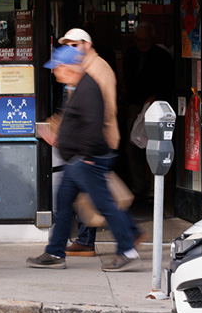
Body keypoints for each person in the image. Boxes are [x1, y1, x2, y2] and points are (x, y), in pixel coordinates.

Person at [27, 45, 141, 272]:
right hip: (77, 160)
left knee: (105, 205)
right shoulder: (79, 85)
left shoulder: (88, 88)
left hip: (87, 159)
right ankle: (55, 252)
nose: (55, 72)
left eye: (57, 68)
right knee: (64, 203)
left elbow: (93, 124)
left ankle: (127, 250)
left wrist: (88, 156)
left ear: (68, 68)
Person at [55, 28, 143, 256]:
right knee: (95, 194)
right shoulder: (82, 67)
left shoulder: (98, 69)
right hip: (88, 143)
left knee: (101, 196)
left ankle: (122, 238)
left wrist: (92, 146)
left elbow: (103, 110)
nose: (70, 49)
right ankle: (123, 233)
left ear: (87, 44)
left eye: (74, 45)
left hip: (96, 143)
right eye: (67, 46)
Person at [123, 22, 174, 201]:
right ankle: (139, 187)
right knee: (132, 148)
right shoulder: (130, 55)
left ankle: (156, 190)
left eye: (146, 40)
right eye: (139, 39)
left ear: (153, 39)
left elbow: (169, 84)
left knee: (156, 148)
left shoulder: (162, 57)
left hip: (156, 107)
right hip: (135, 106)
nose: (142, 43)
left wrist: (156, 96)